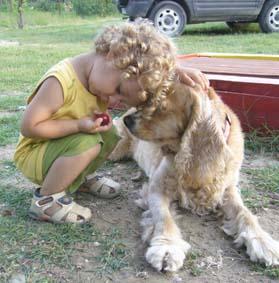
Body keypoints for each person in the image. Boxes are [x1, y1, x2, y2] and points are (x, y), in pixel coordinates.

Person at [14, 21, 209, 224]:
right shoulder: (60, 83)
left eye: (122, 100)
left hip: (60, 149)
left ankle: (77, 179)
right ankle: (46, 200)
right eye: (119, 90)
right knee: (86, 143)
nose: (114, 101)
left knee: (111, 135)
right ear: (113, 56)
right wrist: (78, 125)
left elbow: (143, 63)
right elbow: (29, 127)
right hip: (35, 153)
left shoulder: (103, 71)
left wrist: (175, 71)